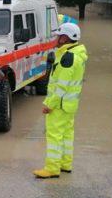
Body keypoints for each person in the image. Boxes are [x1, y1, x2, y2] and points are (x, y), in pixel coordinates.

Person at [33, 23, 88, 179]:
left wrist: (49, 104)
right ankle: (65, 164)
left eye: (58, 36)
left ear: (64, 38)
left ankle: (52, 168)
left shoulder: (68, 57)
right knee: (66, 135)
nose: (56, 39)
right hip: (70, 105)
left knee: (54, 136)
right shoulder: (77, 55)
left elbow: (61, 86)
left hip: (60, 105)